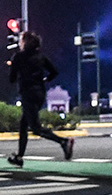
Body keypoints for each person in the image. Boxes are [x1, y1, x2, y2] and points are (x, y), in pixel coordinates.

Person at [7, 31, 74, 168]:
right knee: (23, 125)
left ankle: (63, 142)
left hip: (27, 93)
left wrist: (13, 67)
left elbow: (12, 79)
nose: (19, 43)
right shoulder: (41, 57)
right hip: (39, 93)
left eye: (21, 41)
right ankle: (19, 157)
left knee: (35, 128)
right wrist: (44, 79)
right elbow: (54, 72)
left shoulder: (18, 57)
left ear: (24, 42)